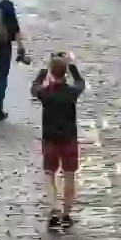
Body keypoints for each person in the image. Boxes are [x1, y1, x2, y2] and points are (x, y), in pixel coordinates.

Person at [31, 53, 85, 230]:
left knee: (49, 175)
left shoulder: (45, 94)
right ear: (65, 74)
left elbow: (35, 87)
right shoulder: (71, 93)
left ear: (51, 73)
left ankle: (54, 207)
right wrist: (73, 68)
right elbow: (80, 83)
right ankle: (66, 213)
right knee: (69, 176)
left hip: (51, 140)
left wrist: (42, 72)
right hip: (69, 138)